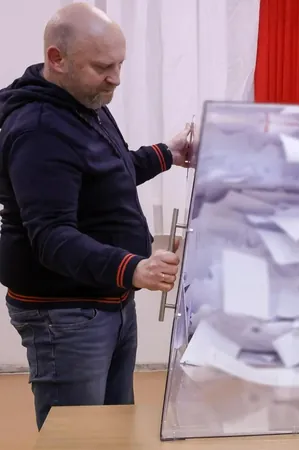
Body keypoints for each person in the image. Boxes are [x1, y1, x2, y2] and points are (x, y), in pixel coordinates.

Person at [0, 3, 193, 430]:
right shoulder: (39, 130)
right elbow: (52, 238)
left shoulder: (81, 99)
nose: (116, 78)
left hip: (107, 299)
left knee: (112, 429)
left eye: (120, 64)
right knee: (77, 434)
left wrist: (168, 154)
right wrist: (134, 268)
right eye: (103, 67)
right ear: (57, 59)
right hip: (65, 315)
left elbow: (107, 173)